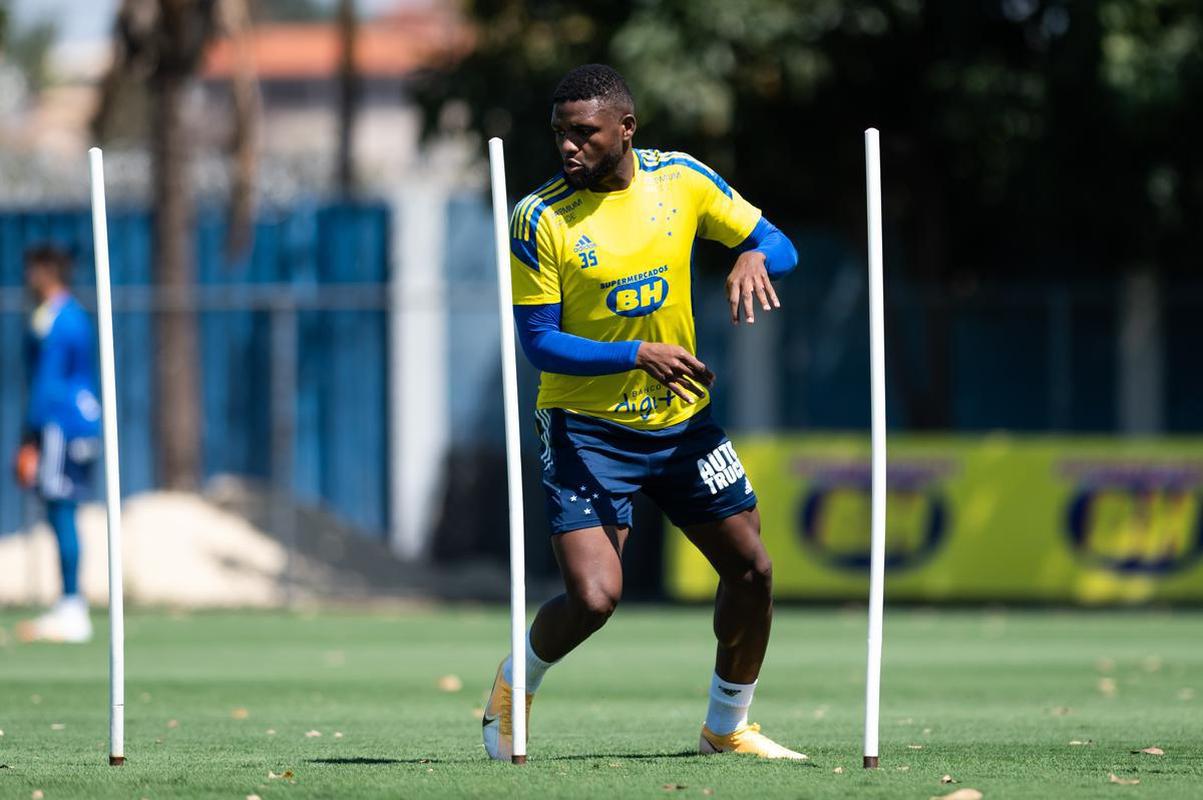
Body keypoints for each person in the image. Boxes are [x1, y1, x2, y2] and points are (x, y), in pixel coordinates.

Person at [483, 64, 803, 760]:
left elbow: (781, 244)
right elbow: (539, 343)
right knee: (595, 598)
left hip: (681, 424)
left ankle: (727, 727)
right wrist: (635, 353)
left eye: (584, 132)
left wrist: (753, 256)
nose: (567, 147)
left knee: (752, 571)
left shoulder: (681, 179)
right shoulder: (537, 218)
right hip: (585, 430)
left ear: (625, 128)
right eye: (558, 134)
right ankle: (516, 684)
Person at [12, 244, 101, 644]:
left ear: (49, 272)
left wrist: (30, 435)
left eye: (34, 271)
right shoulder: (64, 316)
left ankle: (72, 605)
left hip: (62, 427)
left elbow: (49, 383)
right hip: (73, 423)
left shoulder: (58, 319)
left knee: (62, 506)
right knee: (59, 508)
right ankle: (69, 602)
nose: (28, 279)